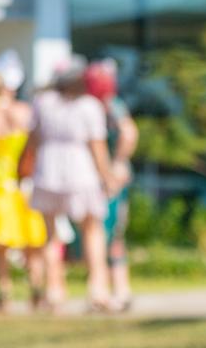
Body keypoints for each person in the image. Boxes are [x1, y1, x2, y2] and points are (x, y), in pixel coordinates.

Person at [21, 57, 118, 312]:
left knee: (51, 234)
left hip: (48, 170)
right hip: (80, 171)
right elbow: (97, 147)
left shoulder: (43, 103)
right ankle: (97, 288)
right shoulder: (89, 106)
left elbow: (33, 141)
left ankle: (55, 289)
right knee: (91, 229)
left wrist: (24, 170)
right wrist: (107, 176)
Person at [0, 51, 46, 312]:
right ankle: (37, 286)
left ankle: (3, 291)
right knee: (31, 239)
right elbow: (35, 147)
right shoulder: (26, 112)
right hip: (24, 180)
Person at [86, 58, 138, 311]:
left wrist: (116, 164)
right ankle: (112, 291)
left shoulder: (110, 106)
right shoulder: (99, 106)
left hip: (110, 179)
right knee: (106, 234)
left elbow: (129, 133)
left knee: (109, 233)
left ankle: (116, 291)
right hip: (100, 178)